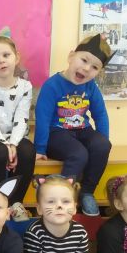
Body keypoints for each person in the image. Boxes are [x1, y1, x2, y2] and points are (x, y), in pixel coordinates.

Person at [34, 33, 113, 217]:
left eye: (94, 67)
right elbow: (43, 117)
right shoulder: (52, 85)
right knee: (79, 154)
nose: (86, 68)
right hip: (57, 133)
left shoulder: (91, 86)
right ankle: (62, 196)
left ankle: (86, 192)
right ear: (71, 57)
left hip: (82, 130)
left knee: (103, 145)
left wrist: (101, 142)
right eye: (84, 60)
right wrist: (40, 148)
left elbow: (100, 114)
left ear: (98, 72)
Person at [0, 35, 36, 221]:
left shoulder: (25, 86)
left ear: (16, 57)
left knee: (28, 151)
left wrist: (13, 144)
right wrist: (5, 144)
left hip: (16, 137)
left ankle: (15, 203)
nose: (1, 61)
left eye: (6, 55)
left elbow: (22, 118)